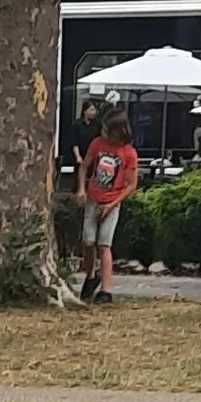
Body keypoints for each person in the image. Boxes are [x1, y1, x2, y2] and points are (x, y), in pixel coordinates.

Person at [75, 101, 140, 298]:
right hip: (94, 198)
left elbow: (131, 184)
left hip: (111, 203)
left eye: (109, 130)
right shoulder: (98, 144)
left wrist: (112, 204)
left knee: (104, 245)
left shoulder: (128, 153)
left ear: (119, 131)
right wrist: (81, 189)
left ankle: (106, 289)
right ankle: (90, 275)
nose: (105, 133)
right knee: (88, 241)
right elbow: (85, 166)